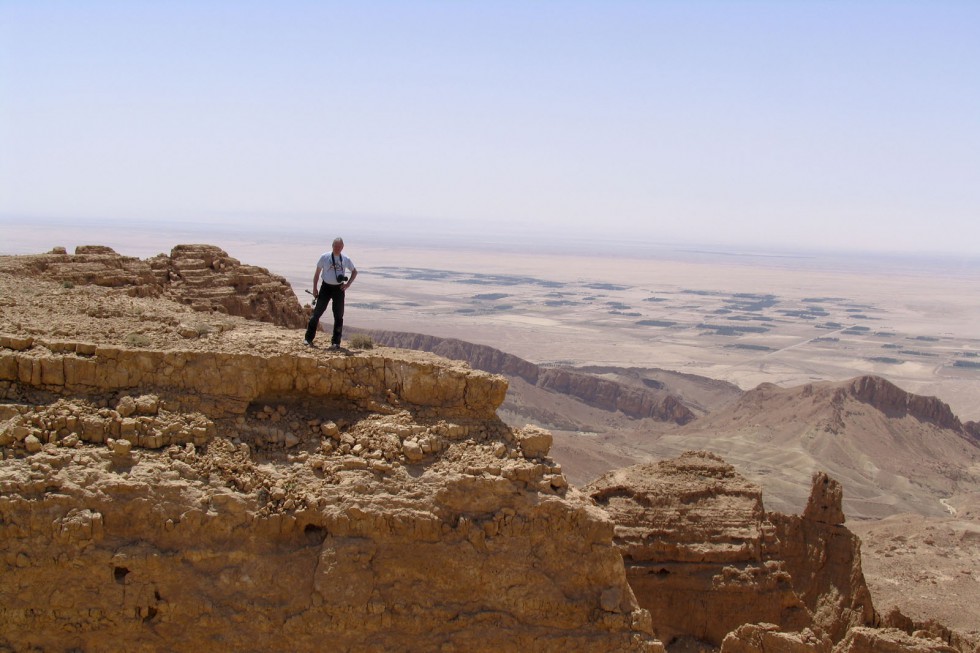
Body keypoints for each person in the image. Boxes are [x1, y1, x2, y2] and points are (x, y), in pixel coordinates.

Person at [304, 237, 357, 349]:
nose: (337, 248)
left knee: (338, 316)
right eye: (335, 246)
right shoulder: (325, 257)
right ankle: (308, 339)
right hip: (326, 287)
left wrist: (348, 284)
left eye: (339, 247)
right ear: (332, 246)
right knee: (317, 313)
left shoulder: (345, 259)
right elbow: (317, 274)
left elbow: (354, 271)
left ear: (342, 247)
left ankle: (336, 342)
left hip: (339, 289)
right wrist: (314, 288)